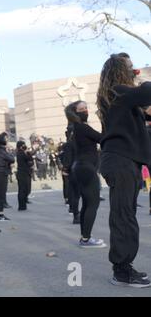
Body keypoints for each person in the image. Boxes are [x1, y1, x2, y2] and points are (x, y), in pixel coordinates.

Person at [97, 53, 151, 287]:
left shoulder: (121, 97)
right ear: (120, 70)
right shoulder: (118, 91)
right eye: (130, 66)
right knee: (123, 217)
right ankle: (121, 270)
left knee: (126, 215)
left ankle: (124, 267)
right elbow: (147, 91)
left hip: (125, 161)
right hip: (119, 161)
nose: (134, 69)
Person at [65, 101, 105, 248]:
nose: (86, 111)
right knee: (93, 204)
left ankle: (85, 237)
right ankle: (86, 239)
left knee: (87, 203)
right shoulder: (82, 127)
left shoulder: (74, 128)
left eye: (86, 108)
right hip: (86, 168)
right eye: (81, 109)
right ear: (75, 113)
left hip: (80, 168)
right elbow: (103, 138)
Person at [0, 140, 15, 222]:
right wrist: (8, 151)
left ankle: (0, 214)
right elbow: (12, 159)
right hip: (1, 174)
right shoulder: (2, 151)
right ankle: (0, 215)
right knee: (1, 195)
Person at [16, 141, 33, 211]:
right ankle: (22, 205)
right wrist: (28, 153)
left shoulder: (21, 153)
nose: (25, 146)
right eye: (23, 145)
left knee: (24, 189)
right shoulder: (21, 153)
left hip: (23, 173)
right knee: (23, 190)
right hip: (23, 173)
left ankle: (23, 204)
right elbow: (29, 159)